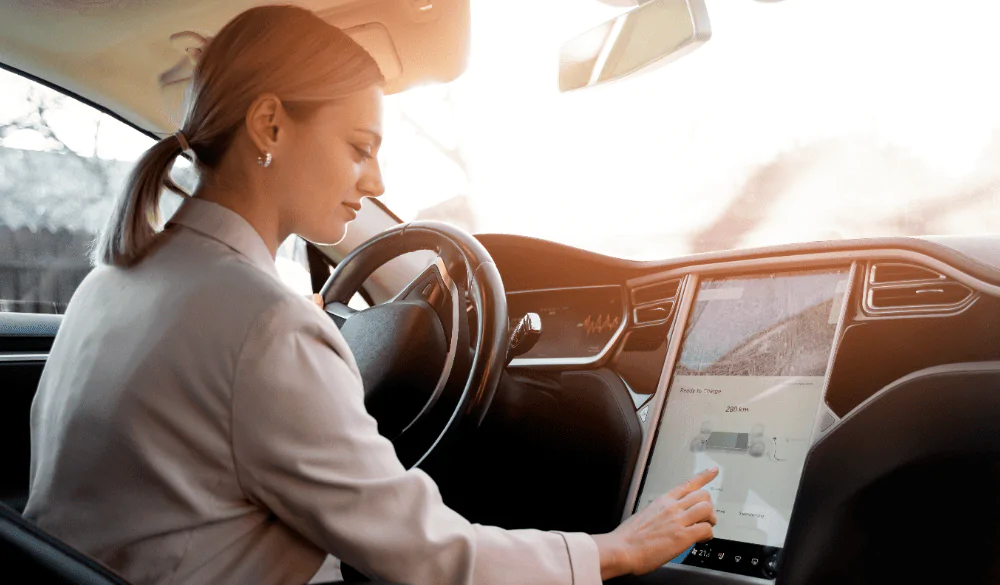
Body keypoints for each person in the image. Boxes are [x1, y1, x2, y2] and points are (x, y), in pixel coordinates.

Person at [23, 5, 718, 584]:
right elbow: (427, 556)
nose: (378, 181)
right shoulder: (265, 327)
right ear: (270, 126)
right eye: (360, 147)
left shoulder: (109, 286)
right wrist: (613, 550)